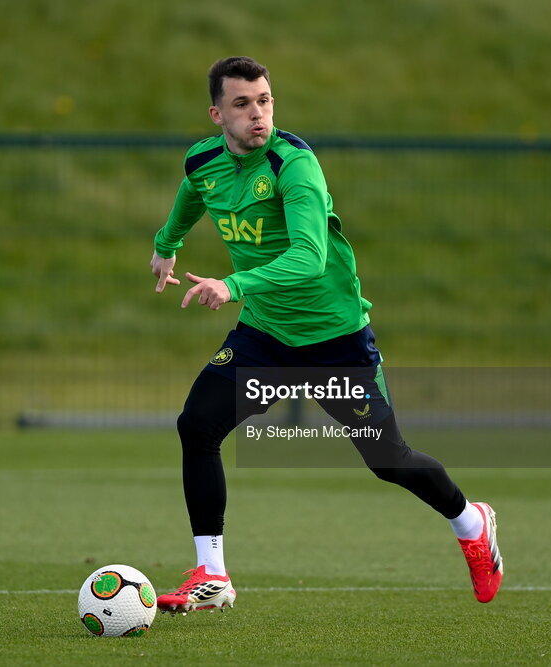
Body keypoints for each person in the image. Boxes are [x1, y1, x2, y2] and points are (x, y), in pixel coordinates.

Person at [150, 56, 502, 613]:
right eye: (242, 105)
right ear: (217, 113)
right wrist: (166, 243)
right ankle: (213, 576)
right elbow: (194, 193)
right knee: (197, 424)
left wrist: (234, 282)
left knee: (388, 459)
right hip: (264, 337)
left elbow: (311, 258)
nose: (257, 114)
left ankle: (470, 521)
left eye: (264, 100)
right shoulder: (202, 161)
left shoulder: (295, 165)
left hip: (335, 341)